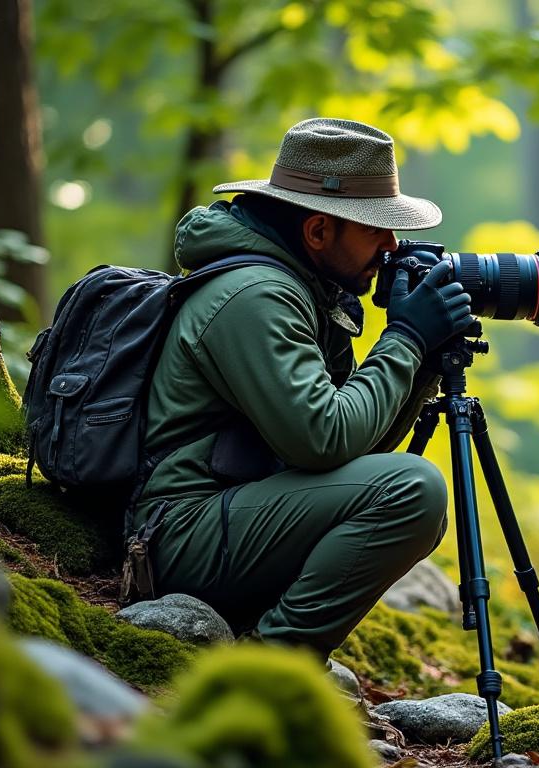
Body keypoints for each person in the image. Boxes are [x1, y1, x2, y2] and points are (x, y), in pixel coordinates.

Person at [130, 117, 473, 659]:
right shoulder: (255, 296)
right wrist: (404, 338)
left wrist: (425, 359)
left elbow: (353, 459)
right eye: (374, 229)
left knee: (404, 487)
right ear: (317, 231)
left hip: (234, 515)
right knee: (414, 488)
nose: (393, 246)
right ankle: (269, 670)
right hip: (182, 531)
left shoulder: (311, 292)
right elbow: (324, 440)